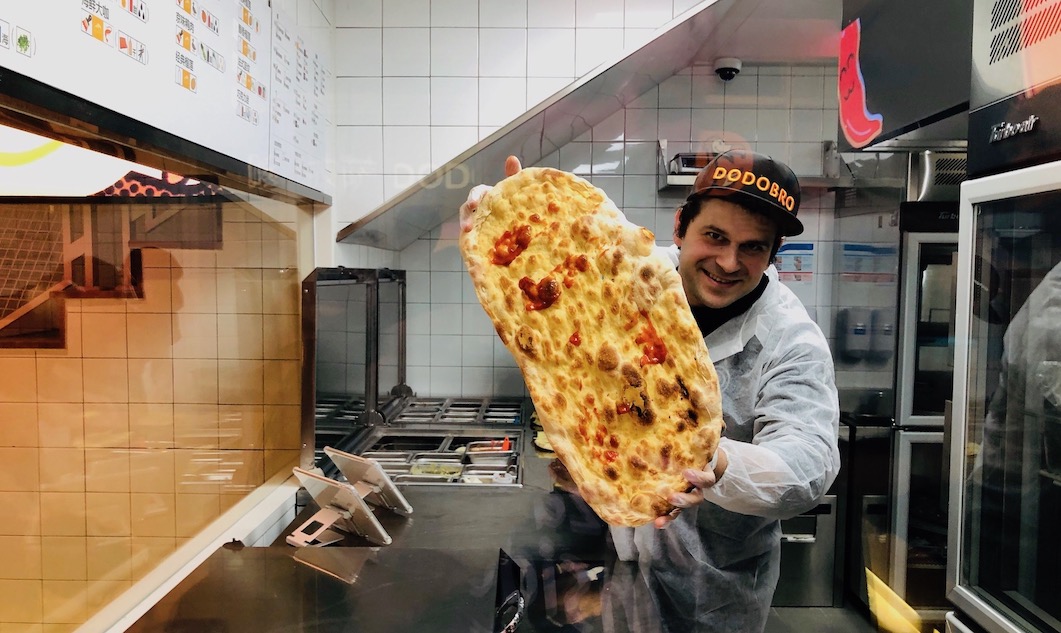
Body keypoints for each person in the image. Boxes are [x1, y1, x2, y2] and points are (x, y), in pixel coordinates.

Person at [460, 149, 841, 632]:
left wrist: (713, 462)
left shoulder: (790, 339)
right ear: (681, 226)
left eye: (753, 247)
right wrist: (498, 215)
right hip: (600, 558)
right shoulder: (621, 270)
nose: (728, 262)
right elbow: (532, 291)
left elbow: (808, 468)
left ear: (773, 252)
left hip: (711, 588)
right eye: (715, 237)